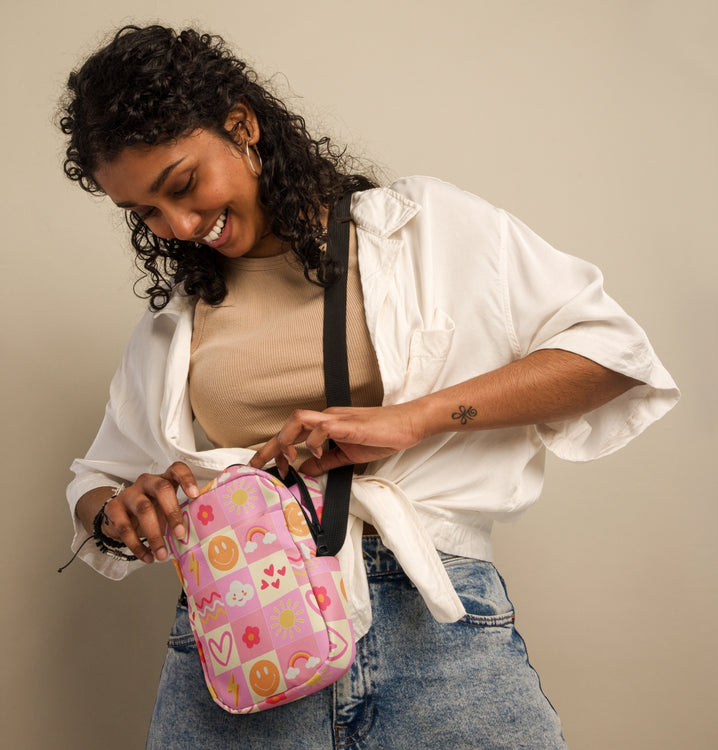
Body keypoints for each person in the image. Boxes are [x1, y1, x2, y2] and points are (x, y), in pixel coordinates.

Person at [59, 24, 679, 750]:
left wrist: (414, 419)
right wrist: (121, 511)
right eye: (146, 213)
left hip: (434, 627)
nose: (181, 225)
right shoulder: (176, 321)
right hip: (244, 641)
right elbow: (96, 483)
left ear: (242, 125)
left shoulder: (419, 230)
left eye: (184, 185)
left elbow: (612, 356)